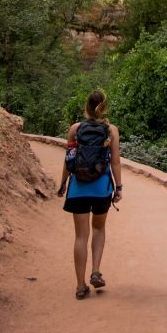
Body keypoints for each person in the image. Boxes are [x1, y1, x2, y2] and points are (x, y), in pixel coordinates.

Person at [57, 90, 122, 300]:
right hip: (101, 188)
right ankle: (95, 271)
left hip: (78, 189)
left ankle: (80, 285)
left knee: (80, 236)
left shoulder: (75, 129)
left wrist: (63, 184)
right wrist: (118, 187)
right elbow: (115, 162)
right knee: (99, 228)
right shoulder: (111, 130)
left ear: (86, 106)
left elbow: (69, 159)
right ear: (105, 107)